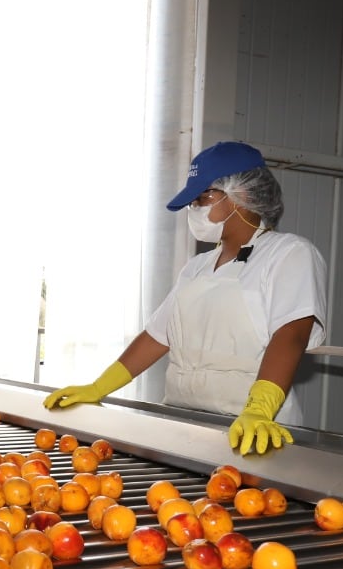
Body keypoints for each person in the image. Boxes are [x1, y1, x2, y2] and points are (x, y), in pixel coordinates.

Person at [44, 141, 326, 455]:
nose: (195, 209)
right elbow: (156, 336)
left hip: (252, 431)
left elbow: (291, 334)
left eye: (202, 197)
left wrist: (259, 409)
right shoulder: (197, 267)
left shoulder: (289, 254)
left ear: (242, 195)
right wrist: (99, 387)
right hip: (184, 424)